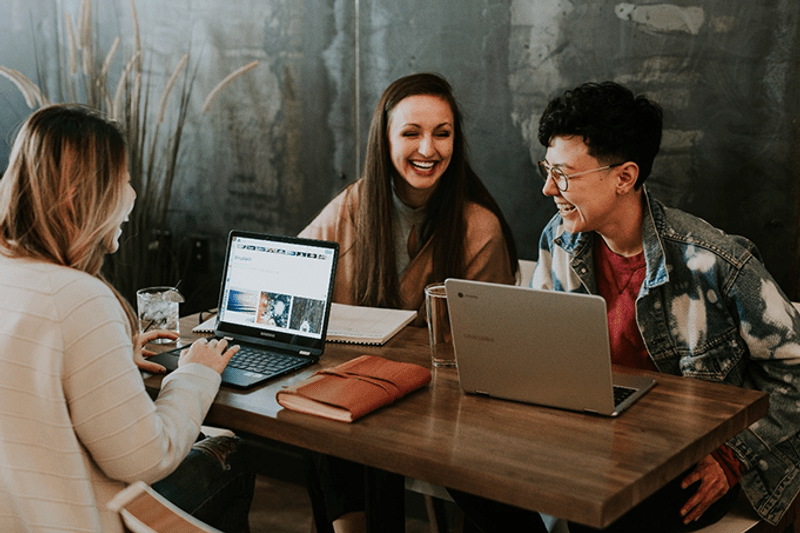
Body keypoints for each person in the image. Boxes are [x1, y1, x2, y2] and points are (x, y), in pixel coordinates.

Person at [531, 81, 800, 531]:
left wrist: (734, 457)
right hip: (592, 444)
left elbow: (794, 367)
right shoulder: (558, 240)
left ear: (624, 177)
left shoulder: (714, 261)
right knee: (471, 477)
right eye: (546, 169)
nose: (547, 189)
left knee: (596, 510)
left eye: (563, 174)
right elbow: (543, 350)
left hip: (686, 460)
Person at [0, 104, 255, 533]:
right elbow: (144, 458)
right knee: (231, 453)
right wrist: (193, 375)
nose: (132, 196)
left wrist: (112, 356)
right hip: (74, 520)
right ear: (79, 196)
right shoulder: (78, 298)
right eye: (124, 181)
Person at [299, 72, 519, 533]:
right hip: (355, 394)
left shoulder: (479, 228)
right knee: (321, 421)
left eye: (443, 134)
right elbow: (297, 282)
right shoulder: (354, 205)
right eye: (411, 133)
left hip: (444, 411)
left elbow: (483, 351)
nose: (428, 149)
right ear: (384, 139)